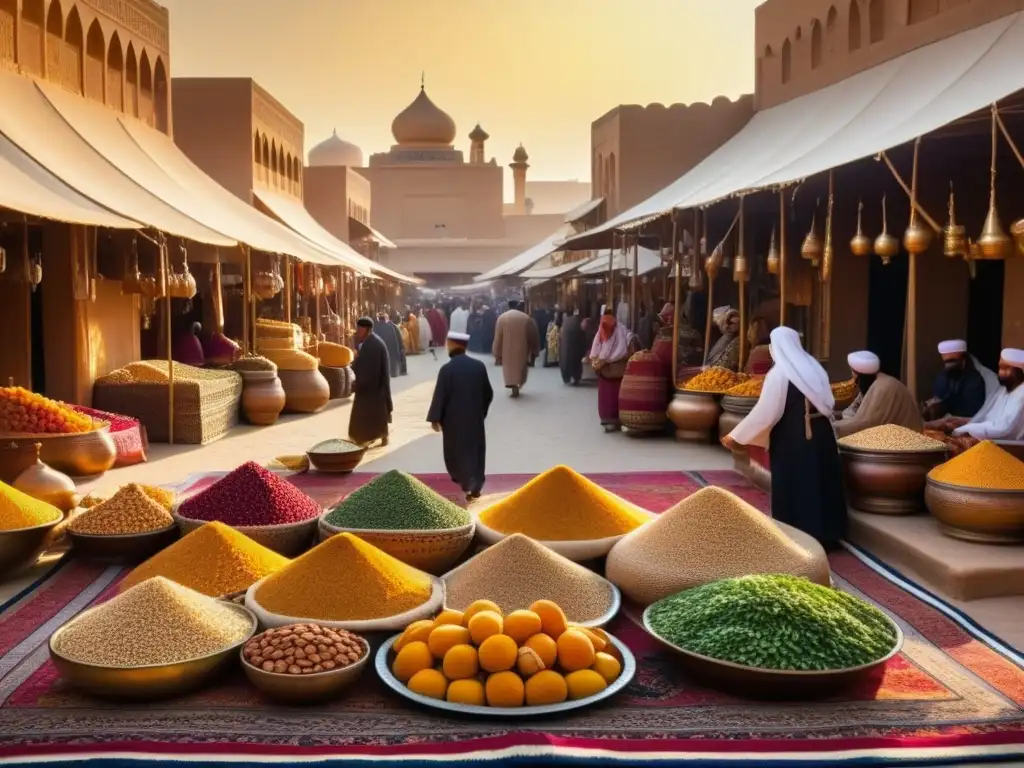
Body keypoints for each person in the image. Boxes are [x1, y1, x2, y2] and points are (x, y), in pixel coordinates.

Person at [723, 327, 846, 548]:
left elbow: (766, 412)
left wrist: (738, 436)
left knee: (797, 482)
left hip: (794, 437)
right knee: (821, 479)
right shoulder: (814, 367)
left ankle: (798, 534)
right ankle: (827, 532)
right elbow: (829, 402)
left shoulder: (780, 374)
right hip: (821, 433)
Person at [427, 331, 494, 501]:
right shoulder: (479, 366)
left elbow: (440, 395)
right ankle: (476, 484)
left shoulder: (447, 370)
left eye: (448, 343)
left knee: (456, 453)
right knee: (475, 452)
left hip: (453, 421)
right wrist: (481, 412)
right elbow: (488, 393)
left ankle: (465, 482)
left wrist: (436, 418)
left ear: (454, 345)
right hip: (474, 419)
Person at [931, 349, 1024, 452]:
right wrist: (966, 422)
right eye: (1000, 368)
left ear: (1020, 371)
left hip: (1011, 449)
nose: (1000, 373)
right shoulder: (1005, 391)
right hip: (993, 442)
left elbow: (1003, 429)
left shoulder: (1022, 394)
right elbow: (989, 417)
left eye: (1006, 369)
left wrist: (965, 429)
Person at [833, 351, 922, 439]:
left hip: (906, 442)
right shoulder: (873, 384)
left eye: (853, 372)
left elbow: (865, 424)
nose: (852, 376)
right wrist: (837, 416)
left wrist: (832, 428)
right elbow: (853, 408)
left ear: (859, 373)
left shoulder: (882, 387)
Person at [922, 339, 994, 422]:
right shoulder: (943, 376)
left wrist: (945, 408)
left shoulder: (978, 378)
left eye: (952, 361)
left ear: (963, 359)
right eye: (946, 362)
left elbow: (972, 412)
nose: (948, 366)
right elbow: (939, 397)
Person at [349, 317, 392, 447]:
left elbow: (367, 367)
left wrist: (355, 365)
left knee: (368, 415)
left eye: (360, 328)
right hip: (374, 387)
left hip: (371, 387)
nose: (358, 331)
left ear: (366, 329)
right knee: (378, 414)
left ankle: (365, 439)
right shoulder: (371, 342)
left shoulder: (372, 345)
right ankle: (381, 436)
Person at [587, 311, 631, 432]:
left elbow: (622, 349)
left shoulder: (620, 332)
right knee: (609, 396)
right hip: (611, 371)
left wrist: (602, 361)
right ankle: (610, 420)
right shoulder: (605, 332)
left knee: (613, 396)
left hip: (613, 370)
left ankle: (615, 420)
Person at [492, 299, 540, 398]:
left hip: (507, 351)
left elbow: (498, 338)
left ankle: (513, 386)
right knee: (520, 368)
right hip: (522, 349)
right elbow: (533, 336)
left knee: (510, 369)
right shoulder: (526, 318)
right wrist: (534, 351)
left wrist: (497, 353)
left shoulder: (502, 318)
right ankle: (517, 385)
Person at [560, 308, 586, 385]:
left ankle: (566, 378)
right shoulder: (579, 322)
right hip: (575, 346)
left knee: (565, 360)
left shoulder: (566, 321)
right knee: (576, 362)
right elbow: (582, 337)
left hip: (566, 345)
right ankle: (576, 378)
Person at [375, 313, 405, 378]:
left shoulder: (375, 328)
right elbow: (394, 340)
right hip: (389, 348)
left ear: (378, 319)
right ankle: (392, 373)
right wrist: (397, 351)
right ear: (385, 319)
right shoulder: (390, 327)